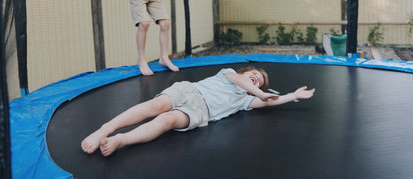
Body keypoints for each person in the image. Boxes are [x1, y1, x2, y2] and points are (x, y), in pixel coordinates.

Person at [81, 66, 316, 157]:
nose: (256, 78)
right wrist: (260, 91)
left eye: (260, 81)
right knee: (156, 106)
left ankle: (121, 140)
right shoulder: (229, 74)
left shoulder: (244, 100)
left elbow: (267, 102)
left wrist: (292, 96)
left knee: (168, 120)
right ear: (245, 72)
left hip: (201, 112)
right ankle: (106, 128)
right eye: (254, 74)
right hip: (188, 91)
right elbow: (241, 81)